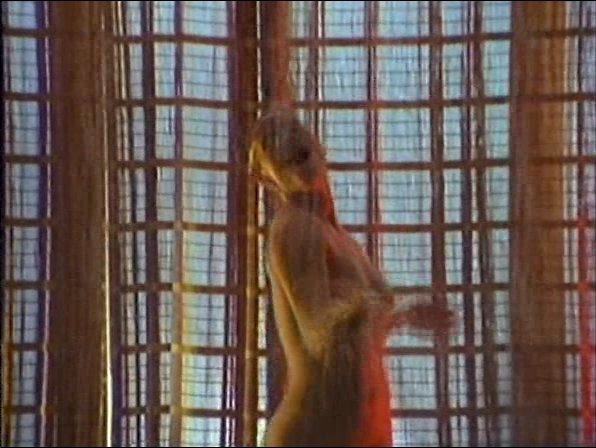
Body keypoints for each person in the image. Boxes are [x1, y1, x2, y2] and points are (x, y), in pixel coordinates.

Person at [248, 108, 454, 447]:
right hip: (317, 431)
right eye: (270, 144)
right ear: (267, 178)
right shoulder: (295, 227)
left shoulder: (338, 235)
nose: (284, 140)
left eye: (292, 129)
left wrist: (404, 317)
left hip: (362, 429)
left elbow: (354, 335)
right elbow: (320, 331)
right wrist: (397, 313)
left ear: (318, 145)